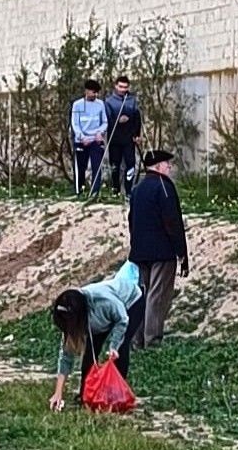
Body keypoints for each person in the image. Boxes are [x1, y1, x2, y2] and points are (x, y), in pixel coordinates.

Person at [47, 262, 142, 412]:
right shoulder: (71, 315)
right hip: (101, 319)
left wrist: (114, 346)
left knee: (120, 350)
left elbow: (122, 319)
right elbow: (66, 355)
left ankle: (115, 397)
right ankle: (87, 395)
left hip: (130, 302)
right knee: (90, 352)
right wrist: (58, 393)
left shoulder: (103, 302)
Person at [127, 150, 188, 349]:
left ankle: (137, 339)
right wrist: (182, 252)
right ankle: (152, 340)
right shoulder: (164, 186)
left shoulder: (138, 189)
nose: (169, 167)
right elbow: (172, 222)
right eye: (166, 164)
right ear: (158, 166)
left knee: (142, 294)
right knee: (158, 295)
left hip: (140, 251)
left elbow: (131, 221)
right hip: (162, 251)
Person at [105, 76, 145, 197]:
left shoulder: (131, 100)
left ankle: (128, 191)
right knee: (115, 165)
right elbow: (107, 119)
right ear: (116, 86)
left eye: (125, 87)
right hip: (115, 138)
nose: (123, 89)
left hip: (129, 138)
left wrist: (137, 134)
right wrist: (118, 120)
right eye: (120, 87)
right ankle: (115, 190)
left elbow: (137, 118)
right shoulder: (109, 101)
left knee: (130, 164)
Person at [70, 79, 109, 197]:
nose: (95, 95)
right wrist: (81, 137)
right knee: (80, 167)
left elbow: (105, 122)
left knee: (97, 166)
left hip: (95, 140)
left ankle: (95, 193)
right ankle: (79, 192)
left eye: (97, 93)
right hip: (82, 141)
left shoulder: (100, 104)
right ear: (86, 91)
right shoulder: (77, 105)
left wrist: (100, 133)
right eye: (93, 92)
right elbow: (75, 124)